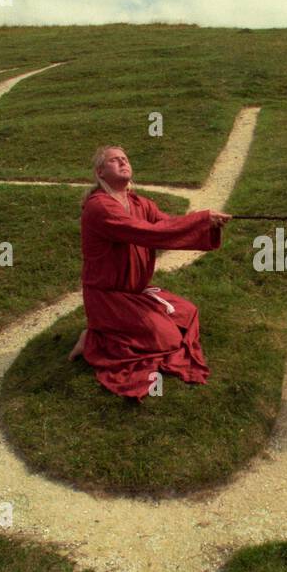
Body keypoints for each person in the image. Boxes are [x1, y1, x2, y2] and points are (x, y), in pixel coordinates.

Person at [67, 145, 231, 400]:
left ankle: (112, 330)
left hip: (135, 291)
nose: (123, 162)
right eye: (114, 160)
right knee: (167, 340)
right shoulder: (100, 207)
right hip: (109, 297)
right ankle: (93, 338)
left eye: (125, 158)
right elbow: (148, 233)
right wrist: (200, 219)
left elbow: (165, 224)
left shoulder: (138, 202)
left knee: (187, 312)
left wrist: (207, 223)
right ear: (100, 172)